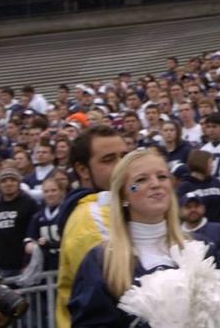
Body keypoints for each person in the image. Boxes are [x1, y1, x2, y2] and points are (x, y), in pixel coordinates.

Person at [68, 149, 186, 327]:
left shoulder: (200, 249)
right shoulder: (100, 263)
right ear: (124, 194)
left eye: (162, 177)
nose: (155, 184)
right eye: (140, 180)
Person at [55, 125, 128, 328]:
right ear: (82, 170)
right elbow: (122, 286)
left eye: (125, 156)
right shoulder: (90, 219)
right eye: (109, 159)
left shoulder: (118, 204)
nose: (122, 165)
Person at [0, 166, 38, 277]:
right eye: (4, 181)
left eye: (13, 180)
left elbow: (34, 232)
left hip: (23, 265)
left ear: (18, 183)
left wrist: (29, 262)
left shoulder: (29, 203)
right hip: (1, 266)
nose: (8, 184)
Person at [180, 195, 220, 268]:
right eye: (188, 207)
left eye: (196, 206)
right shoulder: (176, 235)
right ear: (180, 211)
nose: (193, 210)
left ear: (203, 208)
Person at [176, 150, 220, 225]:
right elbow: (180, 211)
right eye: (210, 162)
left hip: (219, 227)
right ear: (202, 163)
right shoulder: (184, 187)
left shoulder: (216, 182)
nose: (212, 166)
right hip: (196, 229)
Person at [26, 175, 65, 271]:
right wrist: (34, 246)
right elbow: (29, 241)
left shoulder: (67, 212)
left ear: (61, 192)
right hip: (46, 264)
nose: (50, 194)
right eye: (46, 191)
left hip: (64, 262)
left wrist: (50, 244)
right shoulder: (38, 217)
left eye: (53, 190)